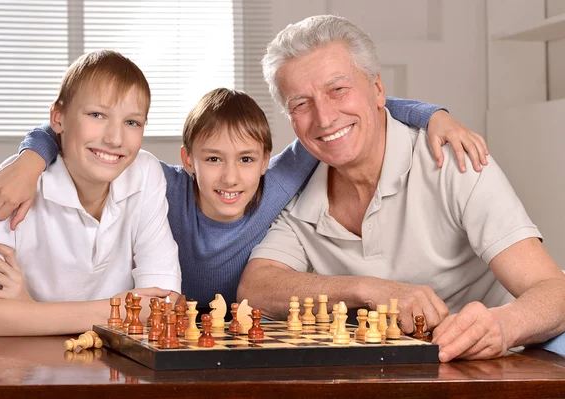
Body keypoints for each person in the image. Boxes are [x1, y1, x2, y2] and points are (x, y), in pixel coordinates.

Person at [236, 15, 565, 362]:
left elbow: (554, 290)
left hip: (496, 366)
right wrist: (367, 289)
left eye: (338, 90)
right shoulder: (293, 188)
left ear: (378, 90)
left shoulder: (452, 159)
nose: (324, 117)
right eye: (300, 104)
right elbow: (256, 288)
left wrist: (503, 325)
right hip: (387, 371)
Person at [0, 88, 486, 309]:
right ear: (187, 159)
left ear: (266, 160)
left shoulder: (278, 182)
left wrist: (433, 115)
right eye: (213, 158)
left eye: (246, 159)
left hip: (239, 337)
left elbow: (347, 118)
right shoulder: (161, 185)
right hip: (164, 335)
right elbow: (91, 142)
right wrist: (31, 154)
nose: (231, 177)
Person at [0, 50, 182, 336]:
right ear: (58, 118)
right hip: (27, 368)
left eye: (132, 122)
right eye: (97, 114)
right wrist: (115, 311)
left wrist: (27, 312)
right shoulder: (15, 181)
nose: (115, 139)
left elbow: (164, 304)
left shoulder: (145, 171)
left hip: (112, 369)